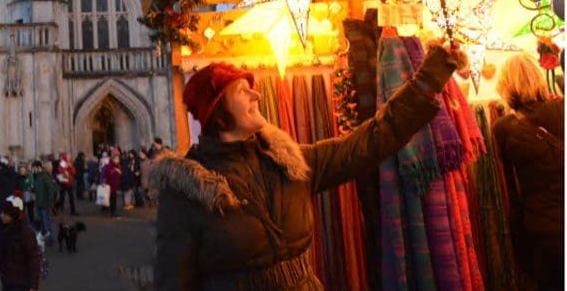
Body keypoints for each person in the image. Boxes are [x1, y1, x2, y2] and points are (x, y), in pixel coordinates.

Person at [151, 41, 465, 290]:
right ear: (217, 111)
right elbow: (173, 281)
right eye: (241, 91)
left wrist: (428, 81)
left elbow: (369, 142)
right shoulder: (187, 189)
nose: (256, 94)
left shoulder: (288, 163)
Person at [493, 53, 565, 291]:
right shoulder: (562, 109)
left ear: (506, 85)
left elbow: (511, 187)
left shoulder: (503, 128)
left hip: (542, 229)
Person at [0, 194, 41, 291]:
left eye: (5, 213)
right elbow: (1, 256)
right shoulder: (6, 230)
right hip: (8, 282)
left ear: (13, 214)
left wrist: (34, 286)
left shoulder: (26, 233)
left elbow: (34, 260)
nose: (1, 215)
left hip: (22, 284)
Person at [30, 161, 57, 243]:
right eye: (33, 168)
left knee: (46, 223)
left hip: (45, 204)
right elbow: (36, 188)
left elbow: (51, 189)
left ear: (39, 168)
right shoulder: (35, 177)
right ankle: (43, 237)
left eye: (34, 168)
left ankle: (50, 238)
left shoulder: (44, 177)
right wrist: (32, 189)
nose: (33, 170)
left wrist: (50, 202)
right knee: (40, 222)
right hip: (38, 203)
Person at [100, 153, 122, 217]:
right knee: (112, 199)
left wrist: (119, 172)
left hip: (114, 185)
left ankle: (112, 211)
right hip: (111, 185)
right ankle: (112, 212)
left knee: (113, 199)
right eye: (117, 159)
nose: (118, 160)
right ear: (114, 159)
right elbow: (106, 174)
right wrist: (115, 171)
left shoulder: (116, 165)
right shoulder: (111, 165)